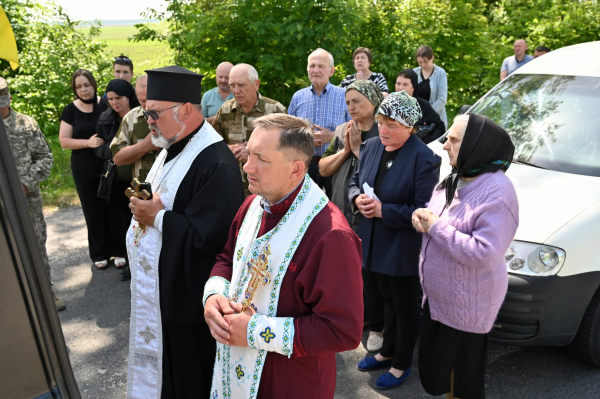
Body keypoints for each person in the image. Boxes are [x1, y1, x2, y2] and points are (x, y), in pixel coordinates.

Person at [204, 113, 363, 399]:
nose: (247, 166)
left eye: (261, 159)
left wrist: (254, 331)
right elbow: (227, 259)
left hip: (290, 382)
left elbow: (343, 330)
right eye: (249, 154)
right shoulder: (254, 203)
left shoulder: (330, 235)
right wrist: (214, 296)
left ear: (296, 169)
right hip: (234, 368)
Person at [125, 65, 244, 399]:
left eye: (154, 113)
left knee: (190, 379)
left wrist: (158, 218)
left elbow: (213, 240)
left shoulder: (215, 164)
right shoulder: (172, 145)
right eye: (146, 111)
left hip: (188, 304)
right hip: (164, 294)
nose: (148, 120)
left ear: (187, 110)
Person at [413, 114, 519, 399]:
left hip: (466, 306)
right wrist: (420, 216)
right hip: (440, 301)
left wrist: (434, 227)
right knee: (442, 376)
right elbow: (435, 212)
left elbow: (484, 253)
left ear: (477, 145)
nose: (445, 144)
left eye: (454, 139)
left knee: (462, 383)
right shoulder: (459, 175)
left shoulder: (497, 192)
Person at [348, 91, 441, 390]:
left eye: (392, 124)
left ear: (410, 127)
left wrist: (383, 210)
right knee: (383, 299)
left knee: (404, 305)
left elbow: (423, 210)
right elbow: (354, 180)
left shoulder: (425, 158)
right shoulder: (372, 145)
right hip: (372, 243)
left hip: (402, 247)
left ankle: (401, 364)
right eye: (381, 122)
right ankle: (386, 351)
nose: (383, 130)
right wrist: (356, 199)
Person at [319, 79, 385, 353]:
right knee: (344, 269)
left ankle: (376, 324)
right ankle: (352, 317)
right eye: (348, 102)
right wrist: (346, 150)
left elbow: (382, 175)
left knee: (370, 272)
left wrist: (359, 152)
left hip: (371, 216)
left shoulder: (385, 132)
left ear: (374, 101)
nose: (351, 107)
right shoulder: (342, 131)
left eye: (357, 101)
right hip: (341, 211)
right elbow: (323, 168)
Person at [0, 77, 63, 311]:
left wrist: (25, 183)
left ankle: (46, 293)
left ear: (9, 100)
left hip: (28, 200)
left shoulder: (26, 125)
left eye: (2, 104)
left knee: (36, 245)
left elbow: (45, 158)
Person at [59, 69, 110, 268]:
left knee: (112, 207)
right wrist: (87, 143)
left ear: (93, 84)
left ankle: (118, 250)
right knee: (92, 208)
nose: (84, 90)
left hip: (108, 164)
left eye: (86, 85)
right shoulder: (70, 110)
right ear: (75, 89)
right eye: (79, 86)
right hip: (83, 166)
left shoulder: (105, 104)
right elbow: (64, 141)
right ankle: (99, 253)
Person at [211, 63, 286, 194]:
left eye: (241, 85)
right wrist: (227, 149)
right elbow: (211, 147)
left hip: (266, 191)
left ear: (256, 84)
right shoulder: (225, 110)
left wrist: (253, 154)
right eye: (232, 85)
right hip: (231, 188)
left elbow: (288, 151)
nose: (236, 91)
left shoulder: (276, 111)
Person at [288, 48, 351, 198]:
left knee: (335, 209)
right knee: (303, 206)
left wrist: (333, 136)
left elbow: (354, 128)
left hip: (336, 163)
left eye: (321, 66)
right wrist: (305, 138)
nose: (315, 70)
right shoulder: (298, 97)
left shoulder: (344, 96)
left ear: (331, 71)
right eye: (312, 66)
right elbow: (287, 132)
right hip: (304, 165)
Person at [94, 79, 140, 279]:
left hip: (138, 178)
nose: (114, 103)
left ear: (129, 97)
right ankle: (129, 263)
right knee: (123, 222)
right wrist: (116, 149)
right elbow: (99, 149)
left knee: (139, 222)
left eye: (118, 98)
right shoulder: (105, 118)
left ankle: (141, 264)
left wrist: (123, 149)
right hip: (116, 179)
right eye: (110, 99)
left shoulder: (142, 115)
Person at [111, 74, 160, 183]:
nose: (147, 106)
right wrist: (145, 145)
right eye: (142, 101)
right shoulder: (131, 117)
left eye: (150, 100)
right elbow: (118, 158)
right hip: (144, 190)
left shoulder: (176, 115)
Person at [395, 69, 446, 143]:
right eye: (398, 83)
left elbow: (440, 127)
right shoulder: (389, 103)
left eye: (405, 84)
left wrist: (423, 140)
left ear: (413, 87)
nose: (400, 88)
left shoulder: (422, 105)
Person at [413, 45, 448, 128]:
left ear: (432, 58)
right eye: (420, 62)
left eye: (425, 62)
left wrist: (427, 115)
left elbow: (442, 99)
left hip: (436, 119)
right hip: (417, 120)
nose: (423, 65)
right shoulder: (414, 72)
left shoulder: (441, 73)